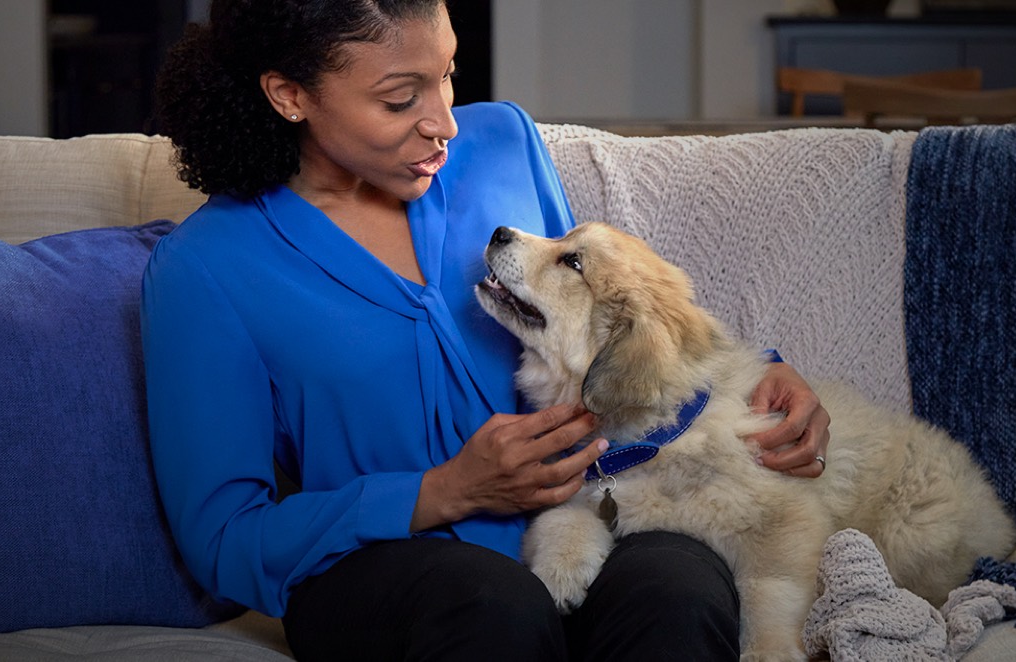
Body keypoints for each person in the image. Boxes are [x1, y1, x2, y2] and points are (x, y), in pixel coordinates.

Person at [144, 1, 831, 660]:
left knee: (677, 590)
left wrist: (753, 373)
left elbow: (596, 310)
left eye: (447, 73)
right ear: (289, 94)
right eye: (398, 98)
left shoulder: (501, 142)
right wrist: (444, 491)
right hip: (381, 569)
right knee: (492, 603)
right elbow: (224, 539)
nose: (442, 122)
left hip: (589, 517)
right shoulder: (205, 268)